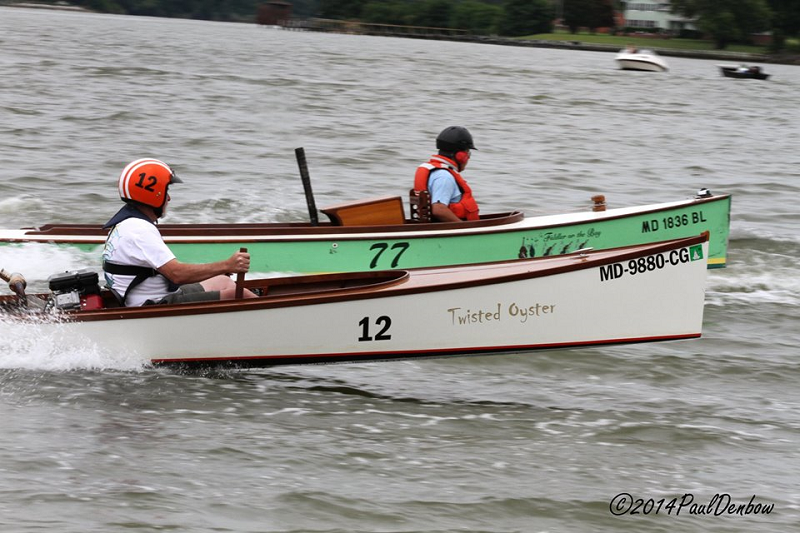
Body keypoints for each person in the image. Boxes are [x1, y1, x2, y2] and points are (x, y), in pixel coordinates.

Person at [102, 158, 257, 306]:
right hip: (154, 304)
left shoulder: (124, 224)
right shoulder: (140, 230)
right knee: (240, 295)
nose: (168, 198)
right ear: (152, 193)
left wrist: (219, 269)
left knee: (223, 281)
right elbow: (177, 274)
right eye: (165, 191)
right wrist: (227, 265)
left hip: (155, 296)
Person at [413, 126, 480, 222]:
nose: (468, 158)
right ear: (460, 156)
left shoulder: (435, 172)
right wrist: (464, 228)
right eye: (468, 154)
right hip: (453, 231)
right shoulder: (444, 177)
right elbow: (438, 209)